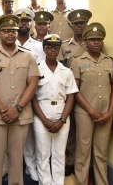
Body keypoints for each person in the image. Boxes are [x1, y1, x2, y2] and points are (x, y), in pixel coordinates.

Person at [0, 15, 40, 184]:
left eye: (13, 31)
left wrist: (17, 108)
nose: (10, 34)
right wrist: (3, 109)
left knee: (17, 158)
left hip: (20, 115)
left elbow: (32, 84)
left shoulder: (28, 56)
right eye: (6, 31)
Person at [71, 23, 113, 185]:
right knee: (83, 152)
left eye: (99, 39)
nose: (96, 42)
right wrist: (91, 111)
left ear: (103, 41)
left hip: (105, 114)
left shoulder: (110, 62)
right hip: (85, 113)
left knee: (101, 153)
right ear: (85, 41)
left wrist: (110, 113)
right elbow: (75, 90)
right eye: (92, 39)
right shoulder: (77, 62)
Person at [31, 34, 78, 185]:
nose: (52, 50)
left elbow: (71, 96)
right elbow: (32, 97)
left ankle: (58, 182)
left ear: (59, 49)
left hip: (61, 113)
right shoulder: (36, 70)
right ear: (44, 48)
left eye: (56, 47)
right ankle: (44, 182)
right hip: (41, 113)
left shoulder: (66, 71)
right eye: (49, 47)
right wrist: (43, 119)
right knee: (42, 154)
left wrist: (62, 119)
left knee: (59, 154)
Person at [57, 9, 92, 177]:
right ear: (71, 25)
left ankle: (85, 164)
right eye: (76, 24)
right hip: (69, 93)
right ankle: (70, 161)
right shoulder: (64, 45)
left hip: (88, 93)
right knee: (70, 130)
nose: (79, 26)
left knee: (85, 132)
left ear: (87, 25)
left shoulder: (92, 42)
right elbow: (59, 69)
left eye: (82, 23)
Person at [13, 8, 45, 182]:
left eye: (27, 20)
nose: (24, 23)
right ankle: (22, 166)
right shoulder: (9, 42)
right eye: (20, 20)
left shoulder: (39, 47)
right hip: (12, 93)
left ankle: (32, 166)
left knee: (32, 133)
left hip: (32, 94)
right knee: (17, 133)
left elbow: (39, 72)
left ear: (31, 23)